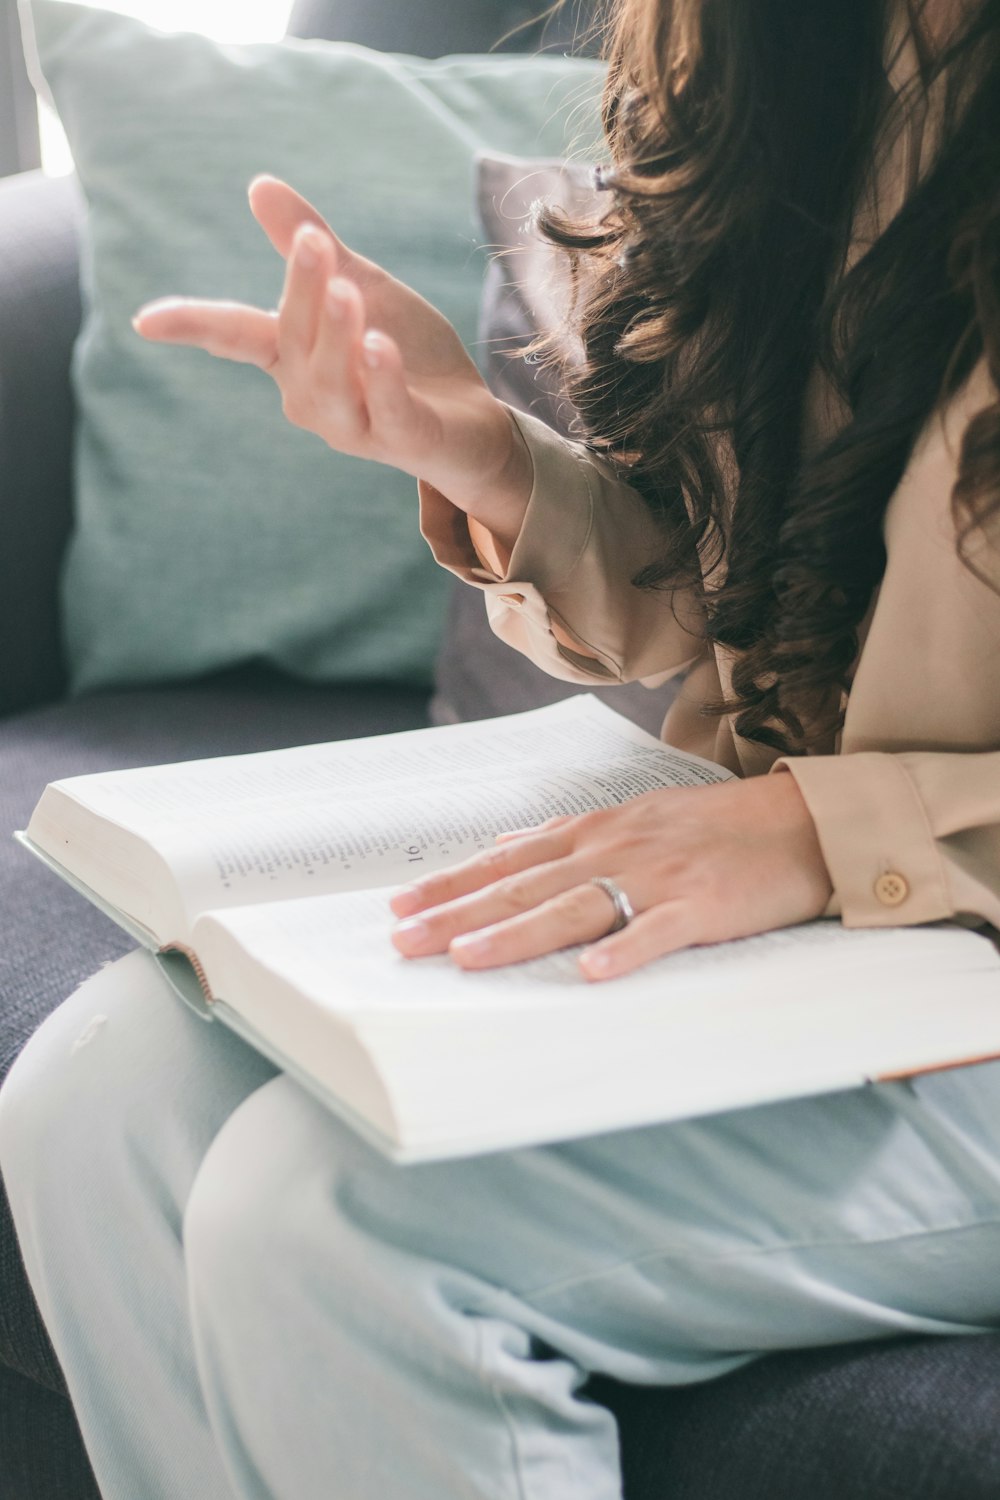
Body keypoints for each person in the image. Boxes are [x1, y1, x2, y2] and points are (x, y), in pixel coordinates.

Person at [1, 0, 999, 1496]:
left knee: (327, 1223)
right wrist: (480, 450)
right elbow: (740, 575)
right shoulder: (771, 46)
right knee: (94, 1100)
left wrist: (821, 834)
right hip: (840, 926)